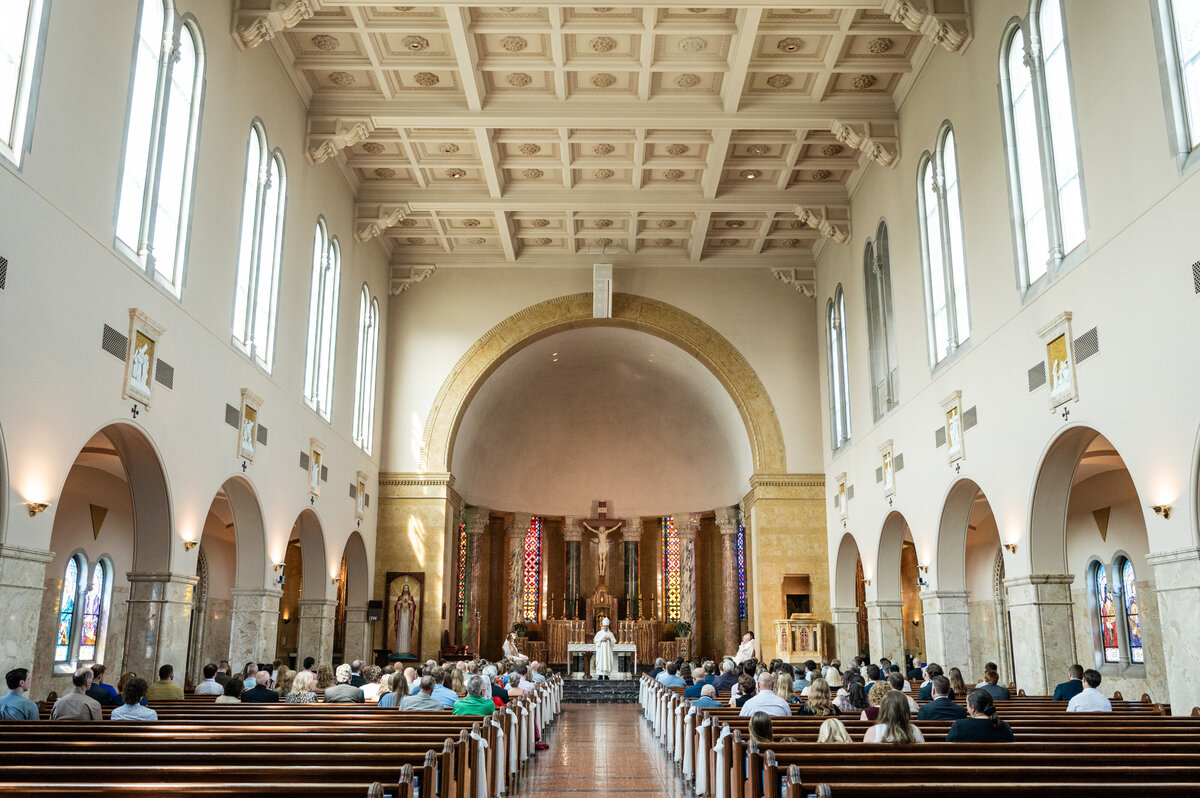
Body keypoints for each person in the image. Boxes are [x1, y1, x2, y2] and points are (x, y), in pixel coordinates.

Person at [946, 688, 1015, 742]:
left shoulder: (959, 726)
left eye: (967, 703)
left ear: (972, 708)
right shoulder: (1004, 727)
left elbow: (949, 747)